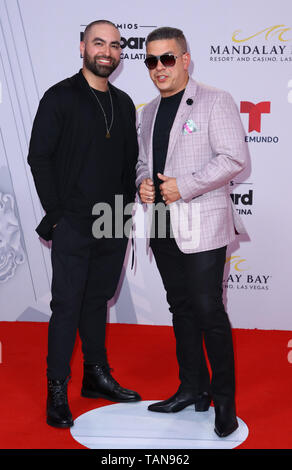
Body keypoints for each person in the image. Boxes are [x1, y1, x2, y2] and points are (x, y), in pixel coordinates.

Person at [136, 26, 249, 437]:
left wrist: (185, 186)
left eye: (167, 58)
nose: (159, 68)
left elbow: (234, 158)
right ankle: (191, 388)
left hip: (202, 222)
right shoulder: (146, 111)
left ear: (185, 59)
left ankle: (224, 402)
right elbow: (143, 163)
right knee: (180, 309)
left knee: (208, 312)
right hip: (163, 225)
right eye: (151, 60)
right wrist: (143, 183)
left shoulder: (215, 100)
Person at [28, 20, 140, 428]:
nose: (106, 51)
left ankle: (95, 375)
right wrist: (56, 215)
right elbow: (39, 157)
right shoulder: (59, 98)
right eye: (98, 43)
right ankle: (57, 386)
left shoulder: (125, 103)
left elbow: (130, 164)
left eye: (114, 45)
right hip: (73, 221)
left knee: (97, 301)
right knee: (67, 306)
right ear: (82, 47)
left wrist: (126, 210)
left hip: (113, 219)